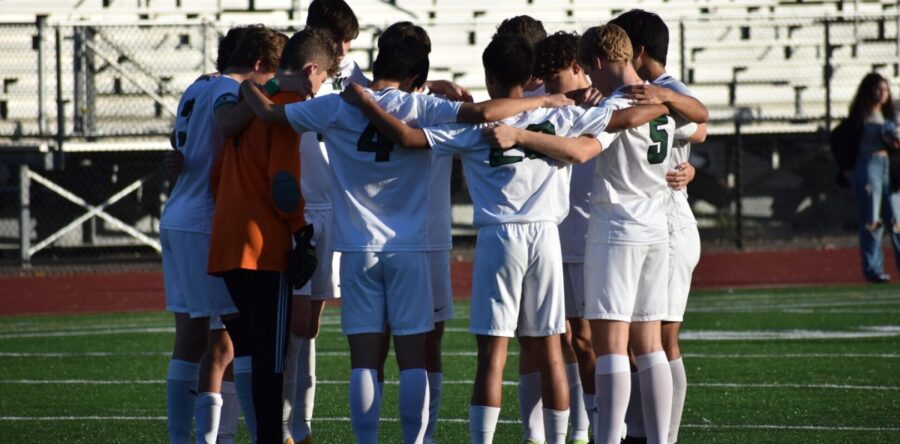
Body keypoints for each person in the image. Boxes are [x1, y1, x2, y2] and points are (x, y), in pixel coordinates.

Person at [239, 21, 569, 444]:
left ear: (379, 58)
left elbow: (268, 113)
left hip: (356, 248)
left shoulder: (337, 106)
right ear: (417, 75)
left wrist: (249, 83)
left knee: (365, 360)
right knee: (413, 359)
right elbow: (485, 112)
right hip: (411, 248)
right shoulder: (421, 106)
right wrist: (546, 99)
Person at [345, 34, 669, 444]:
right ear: (530, 76)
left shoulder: (483, 125)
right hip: (546, 237)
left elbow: (408, 139)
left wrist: (369, 105)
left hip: (500, 237)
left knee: (492, 356)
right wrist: (662, 101)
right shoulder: (561, 117)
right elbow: (627, 119)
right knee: (552, 348)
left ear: (491, 78)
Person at [482, 24, 704, 444]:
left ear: (597, 62)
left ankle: (608, 438)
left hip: (616, 226)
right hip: (658, 226)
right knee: (649, 342)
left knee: (612, 347)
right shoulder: (662, 98)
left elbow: (582, 150)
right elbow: (700, 121)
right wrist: (672, 100)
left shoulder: (618, 103)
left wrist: (520, 135)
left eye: (588, 68)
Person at [207, 28, 334, 444]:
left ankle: (235, 435)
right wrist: (299, 230)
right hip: (263, 247)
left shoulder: (243, 102)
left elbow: (216, 176)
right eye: (322, 79)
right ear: (311, 70)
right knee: (271, 360)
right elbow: (282, 183)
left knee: (248, 349)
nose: (319, 89)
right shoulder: (289, 105)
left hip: (226, 242)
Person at [160, 24, 277, 444]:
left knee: (208, 339)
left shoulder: (195, 86)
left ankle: (198, 438)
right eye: (271, 74)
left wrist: (175, 159)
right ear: (260, 64)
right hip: (206, 221)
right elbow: (227, 126)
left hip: (178, 214)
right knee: (238, 331)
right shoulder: (230, 89)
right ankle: (256, 434)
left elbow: (180, 142)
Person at [611, 9, 708, 444]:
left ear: (640, 49)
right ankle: (640, 431)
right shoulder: (641, 90)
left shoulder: (667, 88)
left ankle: (663, 436)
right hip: (652, 222)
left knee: (661, 341)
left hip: (668, 224)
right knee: (640, 341)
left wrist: (661, 99)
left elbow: (701, 123)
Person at [847, 73, 900, 283]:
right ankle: (873, 268)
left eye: (885, 89)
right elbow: (844, 142)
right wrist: (847, 168)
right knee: (872, 221)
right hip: (869, 166)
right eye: (879, 89)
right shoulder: (860, 116)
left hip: (890, 169)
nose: (882, 93)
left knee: (896, 220)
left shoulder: (891, 116)